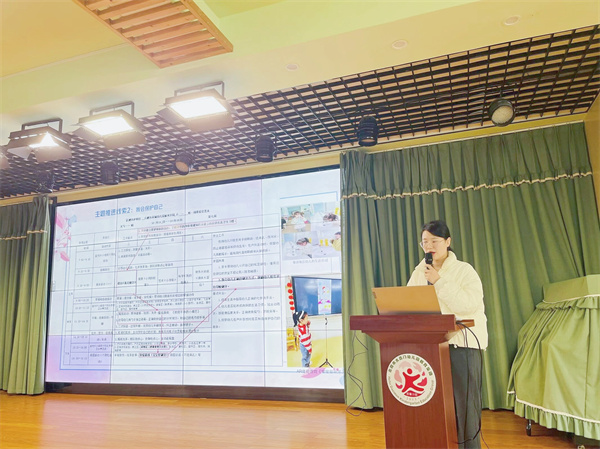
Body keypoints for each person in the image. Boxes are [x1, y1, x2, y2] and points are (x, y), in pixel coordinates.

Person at [407, 220, 488, 449]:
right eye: (425, 242)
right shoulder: (419, 272)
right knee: (436, 406)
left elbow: (468, 305)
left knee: (464, 407)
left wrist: (439, 282)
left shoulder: (464, 270)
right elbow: (408, 303)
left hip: (462, 345)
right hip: (430, 347)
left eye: (434, 241)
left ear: (448, 242)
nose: (429, 246)